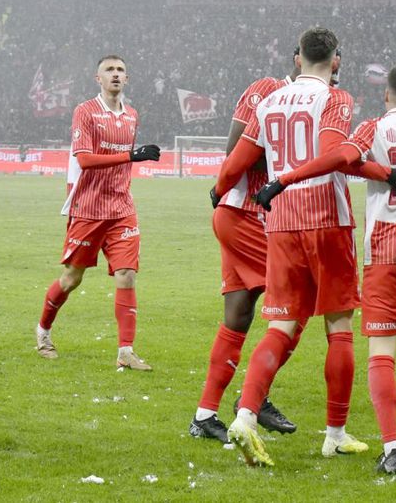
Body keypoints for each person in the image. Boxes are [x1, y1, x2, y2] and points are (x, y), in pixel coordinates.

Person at [211, 28, 396, 467]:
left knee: (281, 326)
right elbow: (338, 155)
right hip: (326, 220)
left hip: (281, 223)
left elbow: (235, 161)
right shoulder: (336, 98)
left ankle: (245, 417)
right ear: (335, 61)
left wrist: (219, 191)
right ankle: (335, 434)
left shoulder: (269, 100)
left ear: (298, 59)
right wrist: (389, 173)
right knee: (339, 326)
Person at [255, 63, 396, 475]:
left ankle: (392, 447)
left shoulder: (373, 128)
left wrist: (285, 179)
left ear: (387, 95)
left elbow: (341, 158)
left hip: (384, 256)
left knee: (383, 354)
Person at [188, 52, 304, 444]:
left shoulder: (312, 101)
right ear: (298, 58)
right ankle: (255, 396)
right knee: (297, 304)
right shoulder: (267, 89)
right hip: (247, 212)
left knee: (238, 316)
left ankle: (204, 415)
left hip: (245, 215)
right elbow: (234, 146)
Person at [34, 55, 161, 370]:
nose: (115, 75)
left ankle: (126, 352)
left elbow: (122, 163)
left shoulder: (131, 115)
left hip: (121, 207)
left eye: (120, 70)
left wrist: (131, 159)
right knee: (71, 278)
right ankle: (43, 332)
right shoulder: (85, 112)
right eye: (110, 70)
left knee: (127, 275)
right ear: (98, 78)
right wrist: (131, 156)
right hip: (89, 208)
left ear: (127, 79)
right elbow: (86, 160)